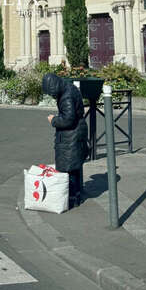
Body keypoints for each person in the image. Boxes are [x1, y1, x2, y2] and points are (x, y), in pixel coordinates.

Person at [42, 73, 89, 209]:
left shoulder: (66, 96)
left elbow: (68, 119)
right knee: (75, 164)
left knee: (69, 167)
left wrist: (54, 120)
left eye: (51, 93)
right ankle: (78, 194)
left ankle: (72, 198)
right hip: (77, 132)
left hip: (71, 135)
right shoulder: (69, 88)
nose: (52, 96)